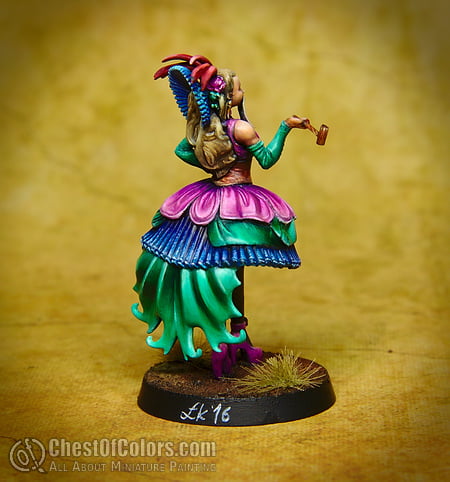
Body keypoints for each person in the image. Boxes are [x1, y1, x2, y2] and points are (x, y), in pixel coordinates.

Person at [132, 54, 309, 377]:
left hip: (209, 199)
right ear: (227, 98)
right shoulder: (241, 128)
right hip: (239, 202)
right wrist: (285, 127)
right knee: (231, 266)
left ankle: (231, 336)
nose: (242, 92)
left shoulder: (206, 129)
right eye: (238, 89)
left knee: (225, 266)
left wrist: (213, 164)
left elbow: (182, 150)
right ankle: (231, 336)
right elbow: (267, 160)